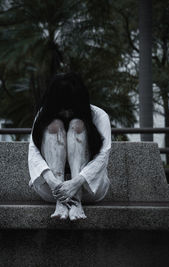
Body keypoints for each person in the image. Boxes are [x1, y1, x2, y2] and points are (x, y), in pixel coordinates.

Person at [27, 72, 111, 221]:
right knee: (54, 126)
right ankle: (61, 203)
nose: (66, 112)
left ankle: (76, 201)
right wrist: (55, 185)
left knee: (77, 125)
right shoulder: (43, 116)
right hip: (52, 191)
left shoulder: (99, 116)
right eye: (61, 107)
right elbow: (33, 153)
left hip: (89, 190)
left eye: (70, 107)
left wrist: (75, 183)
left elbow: (103, 157)